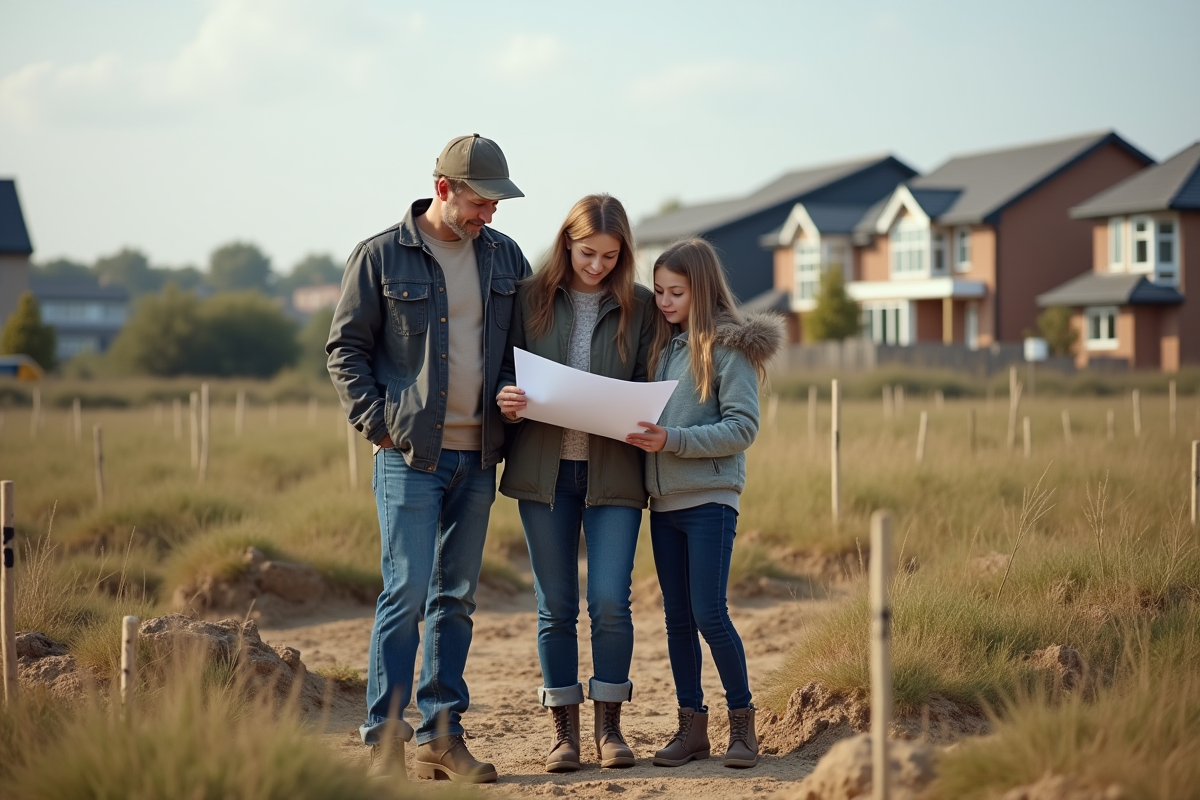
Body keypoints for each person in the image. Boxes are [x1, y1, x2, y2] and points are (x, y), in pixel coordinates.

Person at [326, 134, 530, 783]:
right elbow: (345, 351)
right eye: (481, 201)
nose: (490, 215)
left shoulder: (506, 258)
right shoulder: (381, 256)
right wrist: (378, 425)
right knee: (407, 592)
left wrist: (515, 396)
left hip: (480, 457)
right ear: (444, 189)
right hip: (409, 456)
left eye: (497, 203)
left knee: (456, 597)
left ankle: (442, 735)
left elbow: (519, 348)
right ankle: (385, 740)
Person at [494, 194, 657, 773]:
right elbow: (505, 373)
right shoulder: (528, 296)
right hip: (544, 472)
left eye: (610, 257)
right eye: (588, 253)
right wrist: (507, 400)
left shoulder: (640, 305)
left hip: (614, 472)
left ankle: (610, 730)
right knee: (556, 606)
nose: (597, 267)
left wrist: (648, 415)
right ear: (566, 242)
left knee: (611, 601)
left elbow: (651, 379)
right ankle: (563, 733)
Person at [624, 237, 784, 770]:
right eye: (661, 291)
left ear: (702, 290)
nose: (664, 301)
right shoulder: (661, 349)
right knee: (676, 618)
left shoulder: (728, 349)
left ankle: (743, 727)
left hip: (711, 500)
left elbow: (742, 427)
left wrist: (672, 441)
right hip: (663, 505)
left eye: (676, 292)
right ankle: (691, 728)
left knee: (710, 613)